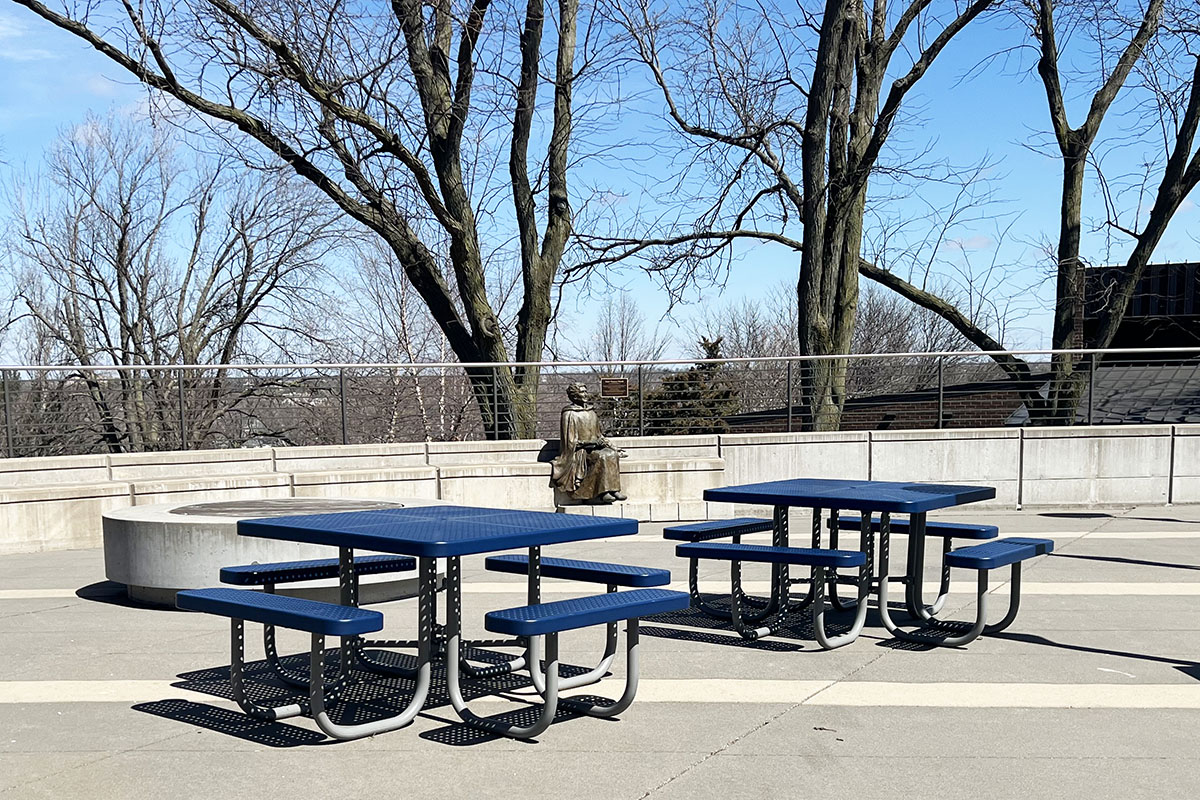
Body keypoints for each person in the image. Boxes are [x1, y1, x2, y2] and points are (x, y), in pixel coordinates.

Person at [549, 383, 627, 503]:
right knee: (602, 456)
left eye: (585, 391)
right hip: (579, 452)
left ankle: (614, 490)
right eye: (582, 392)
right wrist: (589, 443)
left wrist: (613, 446)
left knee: (612, 453)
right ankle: (604, 492)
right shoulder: (569, 414)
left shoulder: (591, 413)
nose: (585, 395)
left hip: (594, 447)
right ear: (574, 396)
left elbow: (599, 435)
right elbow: (570, 442)